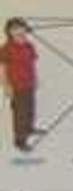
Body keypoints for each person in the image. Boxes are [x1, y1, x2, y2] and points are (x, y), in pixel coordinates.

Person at [3, 18, 35, 153]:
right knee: (20, 113)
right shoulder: (6, 48)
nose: (19, 31)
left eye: (21, 28)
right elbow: (2, 68)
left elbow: (31, 63)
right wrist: (6, 86)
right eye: (15, 29)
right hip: (16, 86)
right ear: (9, 32)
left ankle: (28, 129)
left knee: (30, 109)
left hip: (29, 83)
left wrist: (36, 80)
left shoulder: (29, 46)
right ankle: (20, 141)